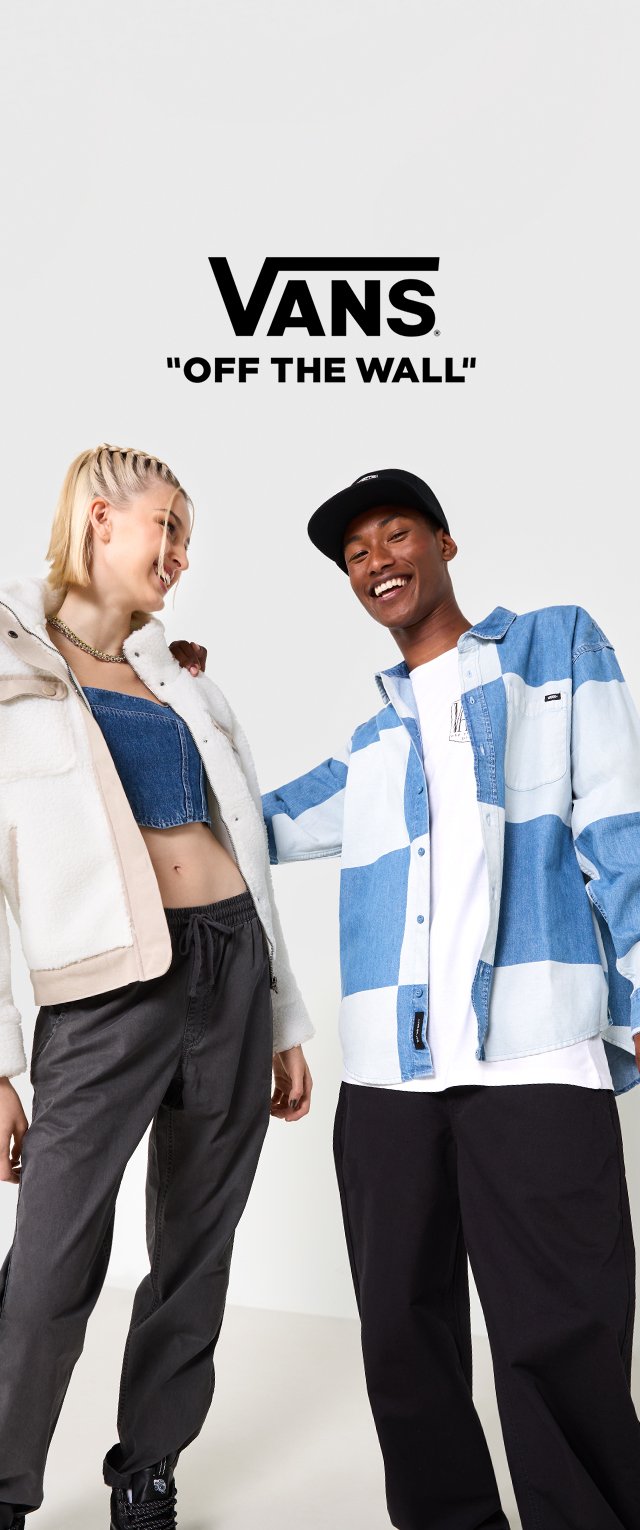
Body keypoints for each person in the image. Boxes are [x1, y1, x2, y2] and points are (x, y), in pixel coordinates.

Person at [262, 468, 640, 1530]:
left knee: (560, 1340)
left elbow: (619, 825)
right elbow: (249, 823)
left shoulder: (554, 647)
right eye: (356, 555)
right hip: (389, 1080)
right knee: (402, 1342)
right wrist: (178, 698)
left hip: (537, 1055)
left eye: (395, 536)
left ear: (443, 542)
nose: (376, 562)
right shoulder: (371, 743)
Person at [0, 444, 313, 1530]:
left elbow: (247, 842)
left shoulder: (180, 677)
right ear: (99, 518)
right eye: (166, 525)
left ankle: (149, 1467)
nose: (179, 552)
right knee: (51, 1262)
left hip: (232, 967)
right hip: (105, 987)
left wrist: (280, 1012)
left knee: (196, 1247)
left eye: (188, 535)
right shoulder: (14, 665)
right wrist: (1, 1064)